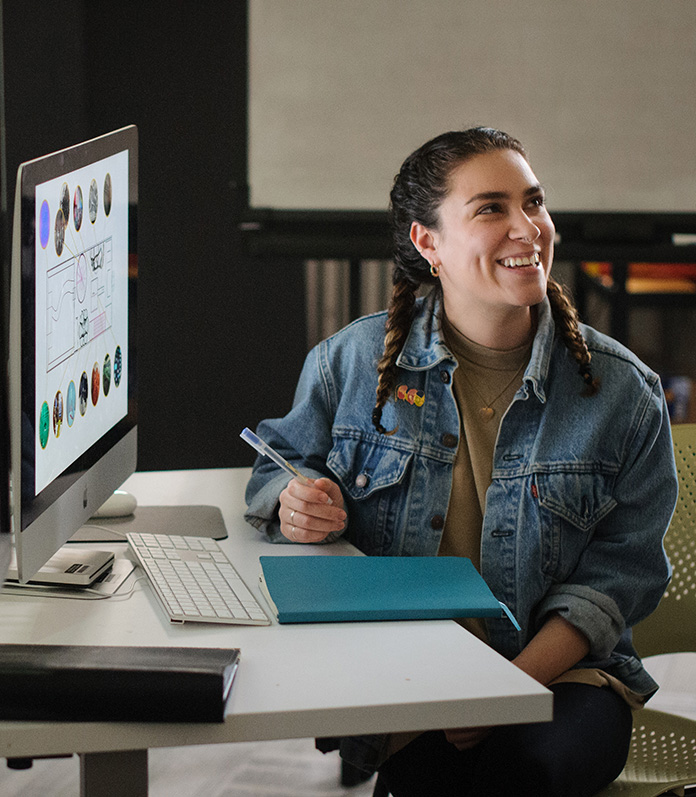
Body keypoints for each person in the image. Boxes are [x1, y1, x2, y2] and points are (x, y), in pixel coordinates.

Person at [244, 128, 676, 796]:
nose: (527, 227)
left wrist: (505, 687)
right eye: (491, 209)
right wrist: (292, 500)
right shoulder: (351, 362)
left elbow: (620, 575)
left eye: (533, 202)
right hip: (419, 679)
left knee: (525, 770)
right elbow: (280, 461)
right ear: (428, 243)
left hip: (565, 678)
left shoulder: (623, 392)